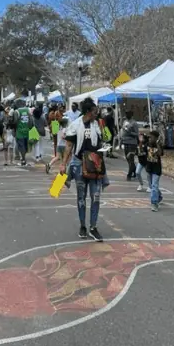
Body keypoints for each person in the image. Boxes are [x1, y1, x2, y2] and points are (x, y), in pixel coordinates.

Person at [61, 97, 106, 241]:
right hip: (79, 164)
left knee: (96, 197)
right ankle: (83, 226)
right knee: (81, 197)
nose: (96, 113)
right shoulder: (75, 125)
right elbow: (68, 146)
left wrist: (104, 150)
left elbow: (101, 142)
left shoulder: (97, 125)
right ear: (88, 112)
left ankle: (93, 227)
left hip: (95, 166)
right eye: (94, 111)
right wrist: (63, 164)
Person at [143, 130, 165, 211]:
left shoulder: (158, 145)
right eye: (149, 137)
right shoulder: (147, 145)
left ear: (156, 138)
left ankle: (154, 203)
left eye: (151, 137)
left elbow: (160, 153)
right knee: (152, 185)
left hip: (156, 168)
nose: (150, 139)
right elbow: (143, 153)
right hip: (149, 168)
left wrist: (157, 144)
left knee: (154, 186)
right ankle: (159, 196)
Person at [11, 99, 32, 167]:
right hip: (27, 131)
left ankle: (23, 160)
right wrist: (29, 127)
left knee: (21, 146)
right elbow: (31, 121)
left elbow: (15, 122)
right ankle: (24, 158)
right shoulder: (28, 110)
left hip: (19, 132)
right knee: (25, 146)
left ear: (18, 104)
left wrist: (14, 129)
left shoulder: (16, 111)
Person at [120, 115, 140, 181]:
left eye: (128, 114)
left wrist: (130, 132)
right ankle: (134, 170)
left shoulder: (134, 123)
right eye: (126, 114)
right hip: (125, 142)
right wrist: (121, 140)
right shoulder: (125, 121)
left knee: (131, 159)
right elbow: (123, 131)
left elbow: (137, 134)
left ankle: (129, 175)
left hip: (132, 143)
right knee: (127, 158)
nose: (126, 115)